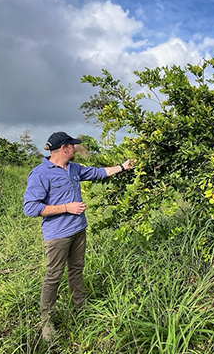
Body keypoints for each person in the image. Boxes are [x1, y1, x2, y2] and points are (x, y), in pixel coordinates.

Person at [23, 131, 134, 340]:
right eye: (73, 146)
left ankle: (80, 309)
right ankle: (46, 321)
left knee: (76, 270)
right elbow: (30, 208)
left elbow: (98, 173)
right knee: (53, 276)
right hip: (57, 236)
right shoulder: (40, 174)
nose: (76, 149)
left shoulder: (73, 168)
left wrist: (122, 167)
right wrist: (66, 207)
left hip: (78, 230)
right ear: (64, 148)